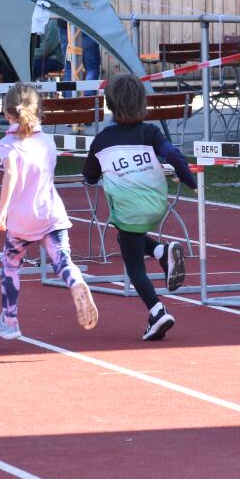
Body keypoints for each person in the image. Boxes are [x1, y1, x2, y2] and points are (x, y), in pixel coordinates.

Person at [82, 73, 193, 341]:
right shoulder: (150, 132)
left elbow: (90, 176)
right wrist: (190, 181)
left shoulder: (101, 141)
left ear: (110, 104)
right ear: (142, 102)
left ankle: (157, 311)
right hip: (157, 203)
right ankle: (160, 250)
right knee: (126, 237)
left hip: (128, 209)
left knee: (134, 267)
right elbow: (173, 154)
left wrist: (101, 172)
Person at [0, 83, 98, 339]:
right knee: (63, 261)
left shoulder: (7, 144)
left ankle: (10, 321)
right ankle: (76, 281)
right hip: (51, 213)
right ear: (38, 110)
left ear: (7, 113)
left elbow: (11, 174)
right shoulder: (47, 142)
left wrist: (1, 211)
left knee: (11, 264)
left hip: (22, 219)